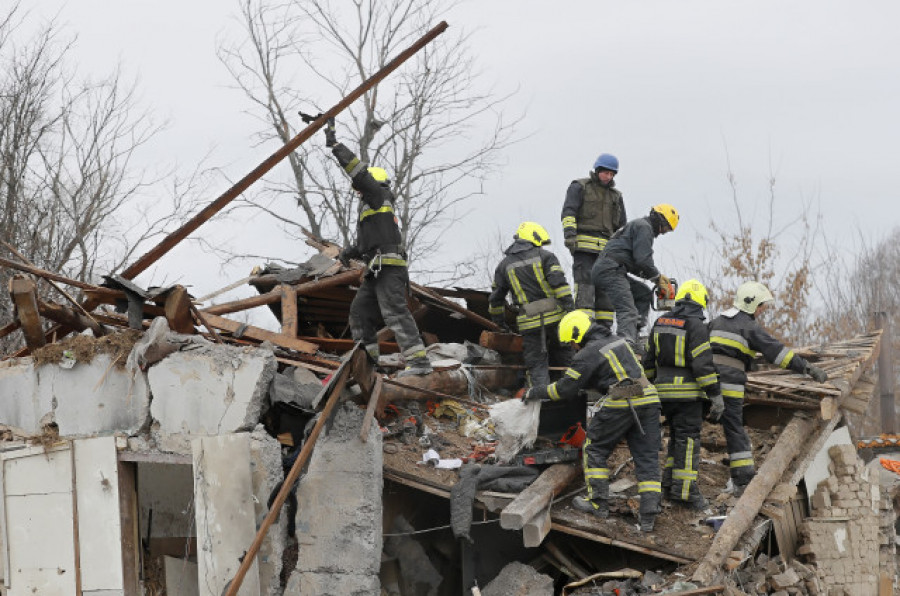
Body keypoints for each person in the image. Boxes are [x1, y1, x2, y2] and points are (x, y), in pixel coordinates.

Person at [525, 310, 662, 532]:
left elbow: (564, 389)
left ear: (578, 335)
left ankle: (598, 503)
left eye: (571, 342)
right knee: (646, 456)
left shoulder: (587, 353)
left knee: (594, 448)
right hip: (649, 398)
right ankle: (649, 514)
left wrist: (534, 392)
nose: (572, 347)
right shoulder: (617, 340)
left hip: (622, 401)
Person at [324, 118, 432, 377]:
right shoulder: (373, 209)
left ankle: (419, 363)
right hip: (376, 269)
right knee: (359, 313)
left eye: (361, 188)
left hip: (388, 268)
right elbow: (366, 244)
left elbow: (358, 172)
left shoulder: (377, 195)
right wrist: (348, 252)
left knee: (394, 312)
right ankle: (369, 365)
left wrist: (335, 146)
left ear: (372, 183)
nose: (358, 192)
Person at [709, 281, 829, 495]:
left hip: (705, 384)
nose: (761, 310)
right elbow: (778, 354)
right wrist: (808, 368)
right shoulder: (748, 326)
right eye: (760, 306)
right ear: (751, 303)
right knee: (735, 429)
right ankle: (743, 480)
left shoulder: (716, 321)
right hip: (730, 386)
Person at [642, 279, 724, 510]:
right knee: (688, 441)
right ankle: (686, 492)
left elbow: (647, 362)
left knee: (676, 439)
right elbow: (702, 366)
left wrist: (649, 387)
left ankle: (669, 484)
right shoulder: (696, 326)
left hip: (663, 394)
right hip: (688, 395)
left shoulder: (660, 322)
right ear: (700, 301)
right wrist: (715, 395)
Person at [488, 222, 575, 388]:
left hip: (529, 324)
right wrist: (571, 311)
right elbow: (561, 286)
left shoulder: (504, 265)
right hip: (556, 319)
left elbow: (495, 299)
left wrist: (500, 324)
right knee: (565, 359)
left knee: (537, 365)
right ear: (535, 238)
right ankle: (569, 398)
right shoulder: (546, 257)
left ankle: (542, 404)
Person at [590, 204, 679, 346]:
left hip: (611, 268)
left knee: (643, 294)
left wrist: (656, 278)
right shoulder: (644, 228)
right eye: (665, 227)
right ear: (659, 219)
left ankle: (634, 333)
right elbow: (643, 260)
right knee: (628, 310)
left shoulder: (639, 226)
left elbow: (637, 263)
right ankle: (626, 344)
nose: (663, 232)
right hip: (611, 269)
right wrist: (657, 278)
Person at [560, 153, 627, 326]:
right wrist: (569, 235)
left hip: (607, 253)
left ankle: (604, 330)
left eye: (612, 174)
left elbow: (622, 225)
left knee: (605, 293)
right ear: (597, 170)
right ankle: (583, 327)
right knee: (585, 288)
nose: (608, 177)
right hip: (584, 249)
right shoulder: (580, 187)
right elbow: (569, 212)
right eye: (606, 173)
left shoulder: (616, 196)